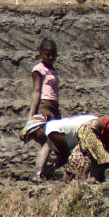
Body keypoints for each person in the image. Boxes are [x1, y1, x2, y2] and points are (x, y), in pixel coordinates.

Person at [21, 39, 65, 180]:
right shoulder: (38, 69)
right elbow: (36, 91)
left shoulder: (52, 70)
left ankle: (46, 171)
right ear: (41, 54)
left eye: (53, 54)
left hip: (54, 106)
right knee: (48, 140)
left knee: (54, 140)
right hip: (45, 106)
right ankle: (39, 173)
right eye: (47, 54)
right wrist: (32, 115)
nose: (51, 57)